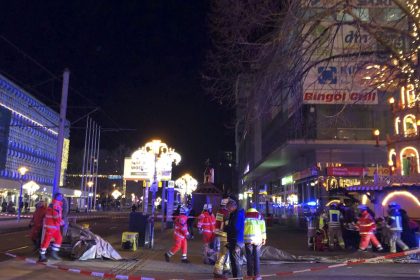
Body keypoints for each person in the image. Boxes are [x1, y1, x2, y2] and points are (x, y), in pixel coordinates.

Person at [39, 193, 65, 262]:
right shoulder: (56, 205)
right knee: (47, 241)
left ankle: (53, 253)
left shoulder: (55, 205)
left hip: (55, 227)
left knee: (59, 238)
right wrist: (62, 222)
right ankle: (42, 255)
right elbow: (56, 217)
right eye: (60, 197)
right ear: (57, 197)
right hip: (52, 227)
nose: (62, 198)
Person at [244, 207, 266, 280]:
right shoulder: (259, 215)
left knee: (249, 258)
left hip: (247, 240)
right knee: (256, 257)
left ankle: (249, 275)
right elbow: (263, 228)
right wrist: (264, 238)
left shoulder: (245, 215)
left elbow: (242, 227)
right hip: (257, 239)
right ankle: (257, 275)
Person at [225, 199, 245, 278]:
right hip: (232, 240)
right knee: (233, 261)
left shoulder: (238, 214)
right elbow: (232, 227)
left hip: (236, 241)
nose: (227, 209)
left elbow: (239, 229)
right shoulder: (233, 214)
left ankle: (238, 278)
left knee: (236, 262)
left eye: (228, 207)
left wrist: (238, 244)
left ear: (233, 207)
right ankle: (235, 277)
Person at [213, 197, 231, 277]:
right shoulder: (227, 213)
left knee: (224, 252)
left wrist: (217, 234)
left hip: (221, 235)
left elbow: (217, 224)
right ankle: (219, 270)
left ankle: (226, 268)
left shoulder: (220, 212)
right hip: (225, 235)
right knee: (224, 253)